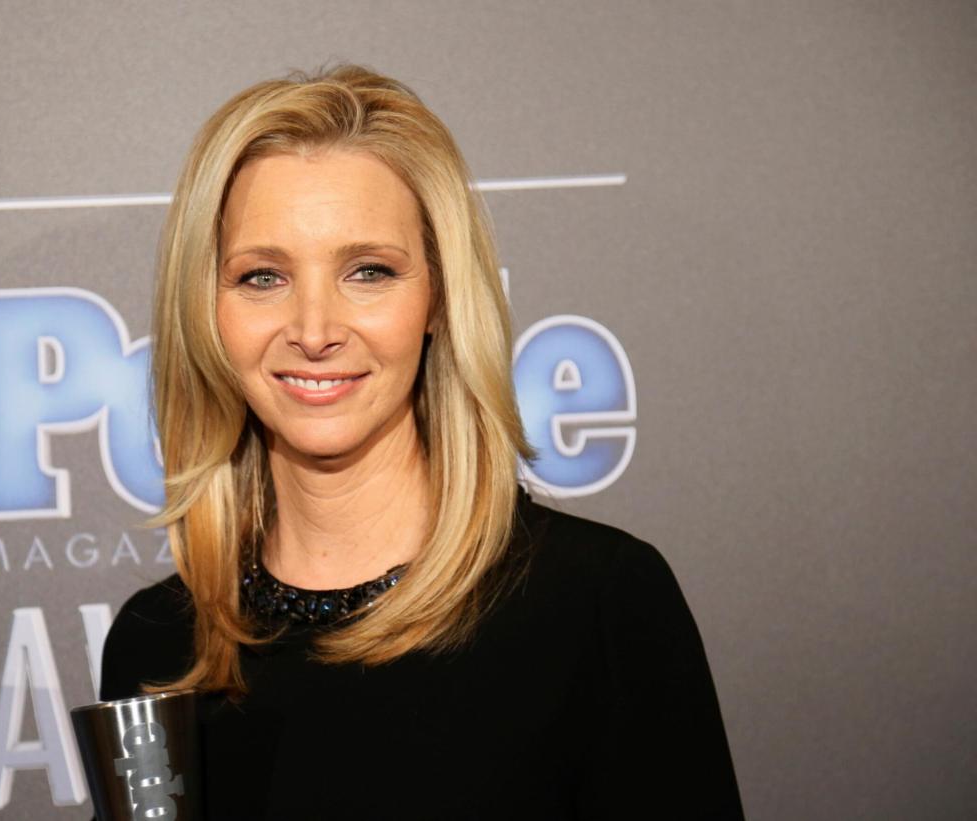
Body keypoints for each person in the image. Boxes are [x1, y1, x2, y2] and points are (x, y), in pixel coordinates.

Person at [100, 64, 745, 819]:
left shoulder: (596, 605)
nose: (314, 331)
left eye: (368, 271)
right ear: (205, 307)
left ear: (438, 297)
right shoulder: (156, 647)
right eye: (262, 276)